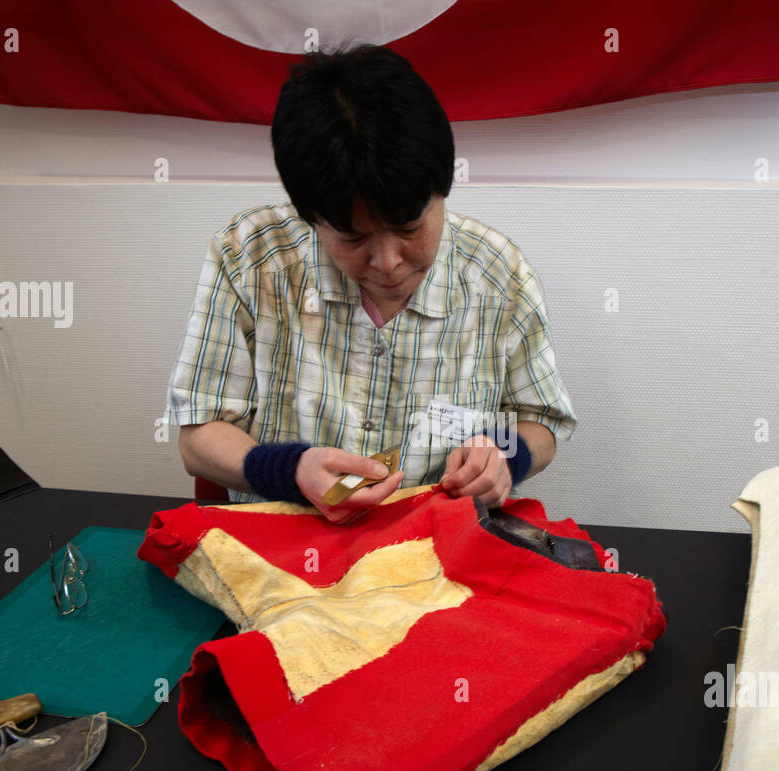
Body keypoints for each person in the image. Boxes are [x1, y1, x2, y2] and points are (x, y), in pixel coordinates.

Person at [166, 44, 576, 523]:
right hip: (285, 546)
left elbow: (541, 420)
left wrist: (504, 456)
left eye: (409, 229)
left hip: (435, 551)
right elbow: (198, 438)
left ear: (441, 190)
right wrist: (291, 470)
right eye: (353, 237)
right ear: (310, 218)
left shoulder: (497, 276)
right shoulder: (249, 260)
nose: (387, 263)